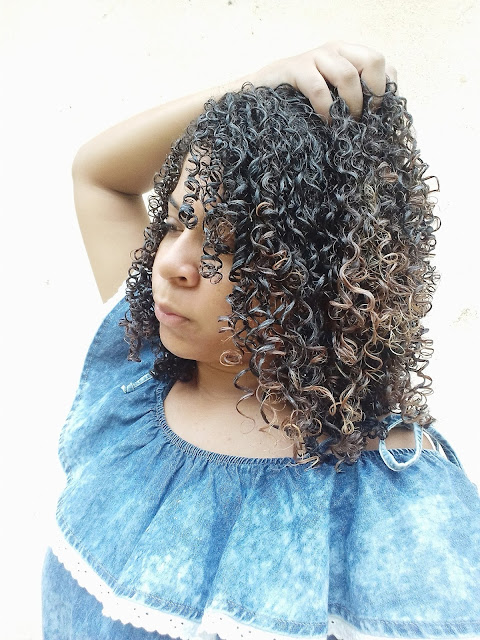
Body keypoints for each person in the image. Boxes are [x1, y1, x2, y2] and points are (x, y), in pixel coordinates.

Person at [42, 41, 480, 640]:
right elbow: (100, 175)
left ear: (327, 278)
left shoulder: (395, 500)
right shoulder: (137, 365)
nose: (172, 264)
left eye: (225, 247)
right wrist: (252, 86)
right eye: (175, 222)